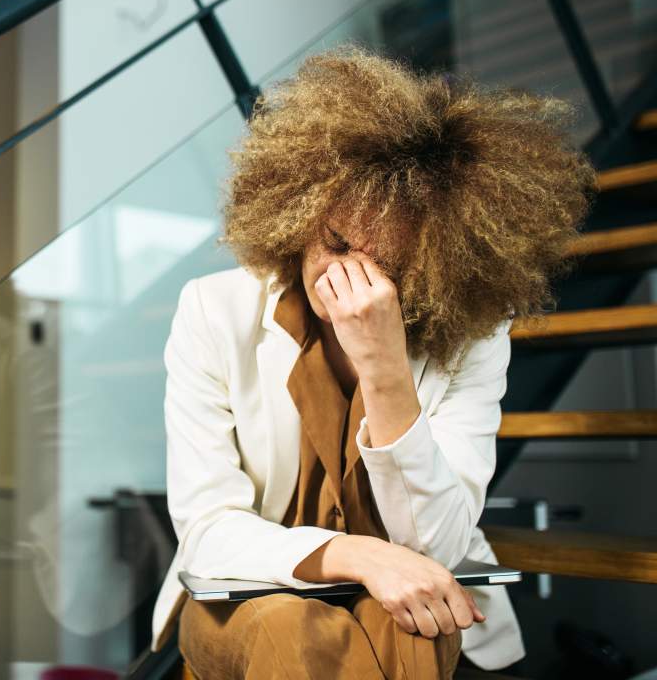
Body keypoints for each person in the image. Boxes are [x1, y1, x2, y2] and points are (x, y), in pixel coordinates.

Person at [151, 43, 596, 679]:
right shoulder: (213, 311)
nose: (347, 274)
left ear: (434, 268)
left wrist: (385, 367)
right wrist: (359, 556)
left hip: (410, 599)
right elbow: (209, 530)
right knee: (295, 625)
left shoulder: (474, 332)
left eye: (384, 265)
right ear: (297, 213)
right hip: (247, 593)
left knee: (408, 620)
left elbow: (435, 545)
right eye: (334, 243)